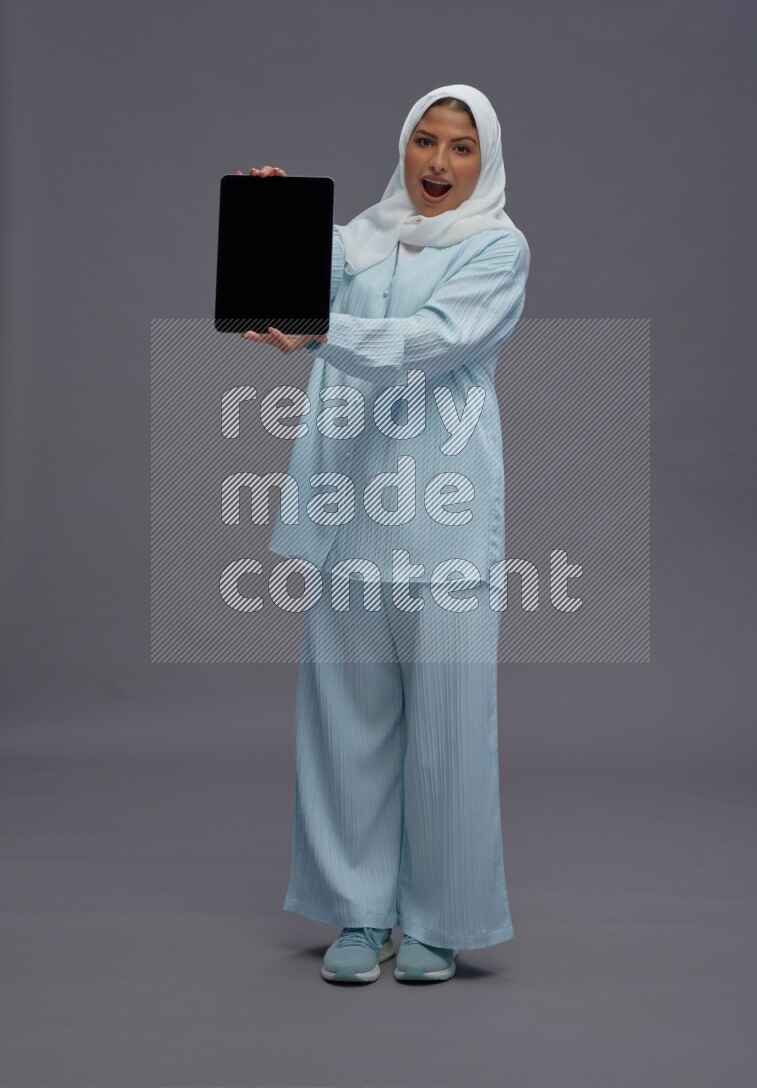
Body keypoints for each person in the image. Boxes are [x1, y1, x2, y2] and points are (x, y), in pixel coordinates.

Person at [238, 83, 530, 984]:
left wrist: (322, 331)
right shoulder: (359, 240)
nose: (438, 164)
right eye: (425, 142)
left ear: (486, 163)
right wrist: (275, 220)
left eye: (461, 148)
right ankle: (360, 913)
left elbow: (431, 339)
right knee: (345, 722)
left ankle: (438, 919)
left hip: (441, 517)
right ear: (403, 148)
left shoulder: (497, 247)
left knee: (446, 729)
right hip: (349, 510)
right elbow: (292, 291)